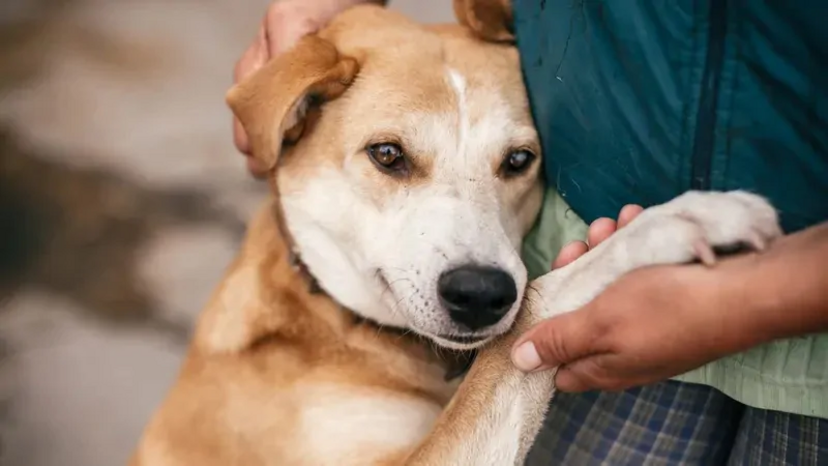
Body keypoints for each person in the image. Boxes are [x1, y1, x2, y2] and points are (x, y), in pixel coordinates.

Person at [232, 1, 828, 464]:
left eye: (514, 162)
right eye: (391, 156)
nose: (470, 253)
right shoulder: (260, 365)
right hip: (611, 271)